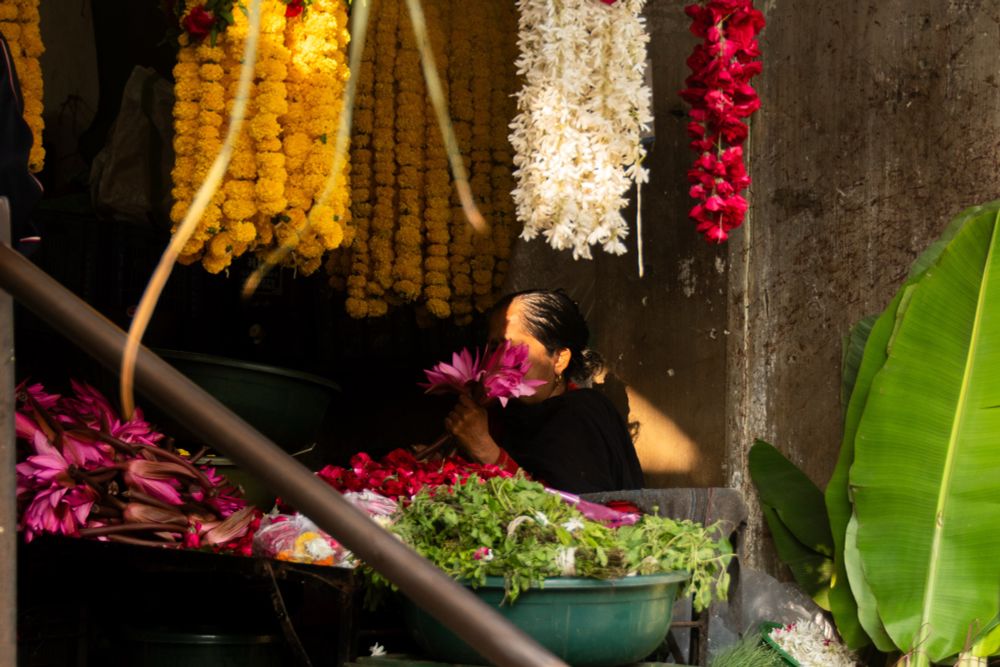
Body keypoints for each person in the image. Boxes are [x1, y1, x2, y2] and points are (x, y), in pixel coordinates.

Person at [444, 288, 644, 494]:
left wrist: (486, 451)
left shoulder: (580, 414)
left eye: (510, 346)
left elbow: (574, 514)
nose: (499, 360)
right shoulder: (504, 414)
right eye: (494, 347)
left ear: (559, 359)